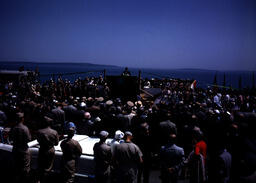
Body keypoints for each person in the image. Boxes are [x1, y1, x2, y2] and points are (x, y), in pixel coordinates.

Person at [36, 116, 59, 183]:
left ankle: (39, 180)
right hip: (50, 150)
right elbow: (56, 144)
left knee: (40, 166)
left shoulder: (39, 131)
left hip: (42, 150)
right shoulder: (54, 132)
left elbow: (38, 140)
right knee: (48, 167)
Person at [11, 112, 31, 183]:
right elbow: (29, 139)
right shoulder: (25, 128)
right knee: (25, 168)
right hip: (24, 150)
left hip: (16, 149)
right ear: (22, 119)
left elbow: (12, 138)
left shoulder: (14, 128)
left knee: (16, 167)